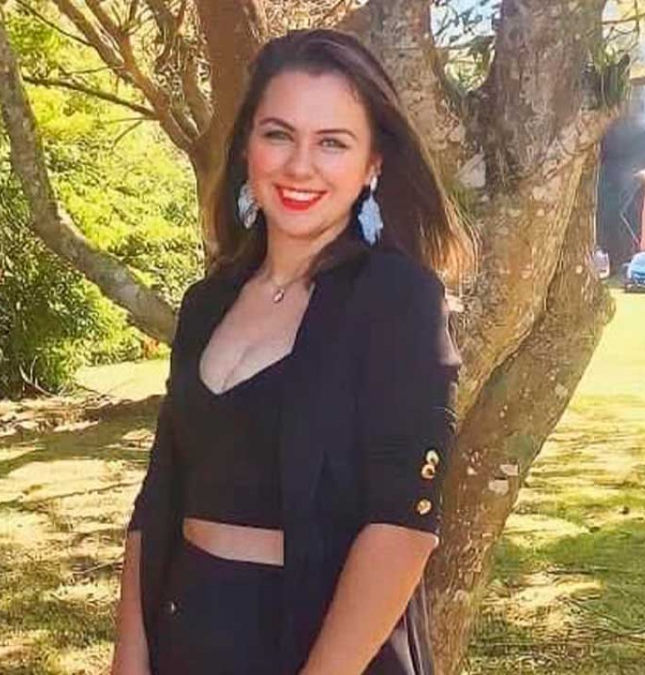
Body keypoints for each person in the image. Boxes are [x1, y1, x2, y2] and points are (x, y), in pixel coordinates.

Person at [110, 29, 472, 675]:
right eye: (278, 134)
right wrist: (130, 659)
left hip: (321, 653)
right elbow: (160, 490)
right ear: (248, 145)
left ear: (372, 164)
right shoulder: (207, 303)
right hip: (183, 639)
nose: (300, 166)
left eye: (332, 142)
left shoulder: (399, 302)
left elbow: (402, 529)